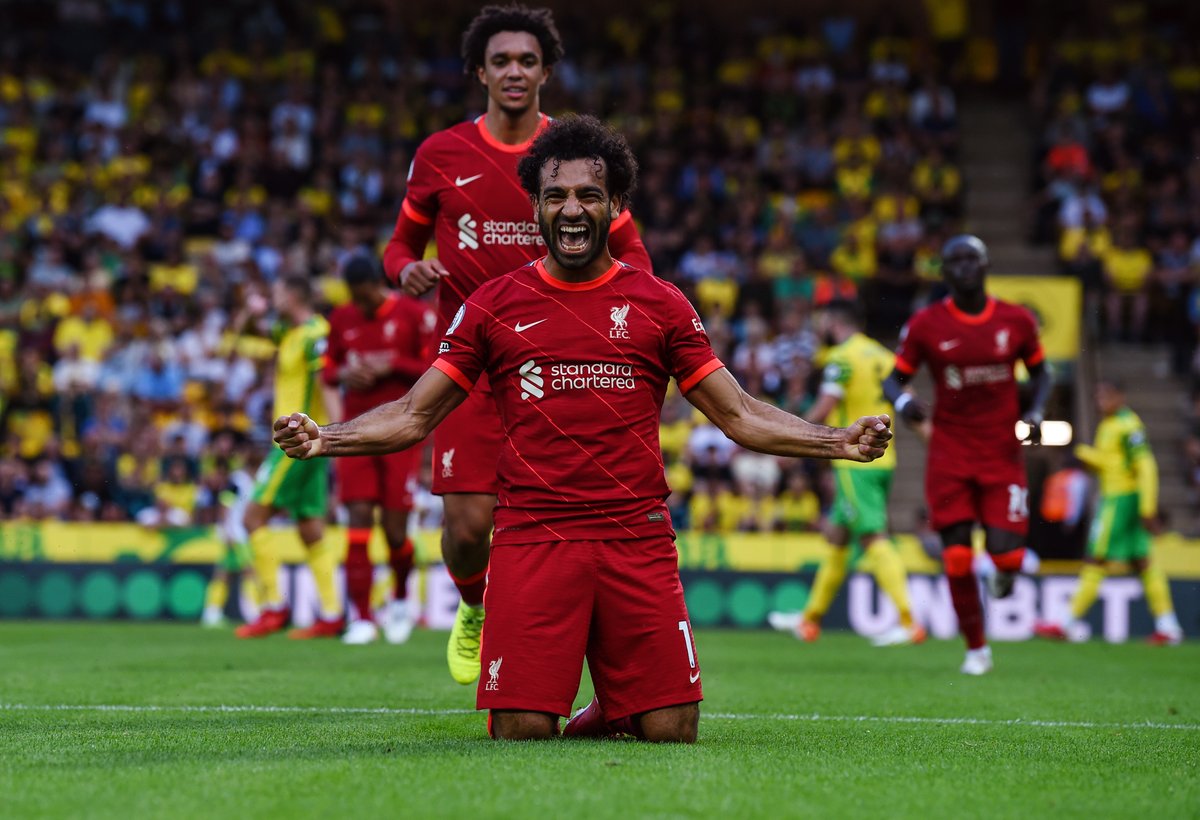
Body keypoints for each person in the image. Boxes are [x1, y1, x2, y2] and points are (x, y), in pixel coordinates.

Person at [274, 115, 892, 742]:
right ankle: (570, 689)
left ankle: (617, 707)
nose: (572, 210)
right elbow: (414, 414)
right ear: (536, 207)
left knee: (673, 730)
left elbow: (738, 414)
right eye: (556, 196)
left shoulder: (660, 303)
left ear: (615, 206)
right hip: (533, 536)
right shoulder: (492, 303)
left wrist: (835, 440)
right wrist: (326, 437)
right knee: (520, 730)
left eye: (589, 196)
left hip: (636, 537)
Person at [382, 3, 654, 685]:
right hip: (471, 364)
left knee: (562, 530)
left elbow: (634, 256)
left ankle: (578, 661)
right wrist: (405, 271)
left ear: (546, 71)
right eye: (501, 60)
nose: (514, 71)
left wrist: (639, 315)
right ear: (479, 70)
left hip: (560, 367)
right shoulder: (440, 155)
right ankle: (474, 606)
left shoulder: (573, 158)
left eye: (527, 61)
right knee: (470, 529)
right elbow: (397, 246)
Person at [884, 234, 1051, 675]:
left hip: (1002, 454)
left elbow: (1042, 373)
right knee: (956, 556)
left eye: (970, 259)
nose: (962, 268)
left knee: (1007, 556)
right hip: (950, 454)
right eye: (953, 261)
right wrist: (903, 403)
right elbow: (893, 380)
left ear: (986, 265)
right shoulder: (925, 325)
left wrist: (1035, 410)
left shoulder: (1016, 321)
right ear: (943, 271)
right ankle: (976, 649)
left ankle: (1005, 572)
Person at [768, 300, 926, 647]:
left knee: (872, 537)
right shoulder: (884, 357)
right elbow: (908, 398)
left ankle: (909, 621)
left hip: (856, 462)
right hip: (885, 457)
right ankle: (810, 620)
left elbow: (826, 405)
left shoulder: (840, 357)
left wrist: (793, 440)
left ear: (834, 322)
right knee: (837, 539)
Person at [325, 255, 436, 645]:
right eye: (355, 297)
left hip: (398, 432)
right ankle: (362, 617)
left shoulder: (414, 314)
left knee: (393, 528)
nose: (363, 305)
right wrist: (345, 374)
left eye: (366, 295)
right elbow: (328, 369)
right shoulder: (342, 318)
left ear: (379, 284)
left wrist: (391, 363)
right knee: (356, 515)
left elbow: (434, 368)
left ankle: (401, 602)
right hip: (355, 431)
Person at [1034, 379, 1184, 645]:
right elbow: (1112, 463)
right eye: (1098, 396)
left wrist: (1148, 508)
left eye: (1106, 396)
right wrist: (1082, 455)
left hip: (1120, 500)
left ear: (1120, 397)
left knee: (1095, 559)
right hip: (1124, 498)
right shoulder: (1110, 425)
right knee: (1142, 562)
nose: (1100, 401)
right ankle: (1168, 625)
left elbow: (1146, 466)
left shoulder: (1129, 426)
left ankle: (1066, 622)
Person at [235, 277, 344, 640]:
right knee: (309, 525)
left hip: (295, 440)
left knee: (252, 517)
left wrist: (340, 435)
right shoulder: (289, 331)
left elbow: (328, 382)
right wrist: (252, 313)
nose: (273, 296)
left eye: (278, 291)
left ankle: (274, 607)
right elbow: (251, 329)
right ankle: (331, 614)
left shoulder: (316, 334)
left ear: (294, 293)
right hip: (310, 442)